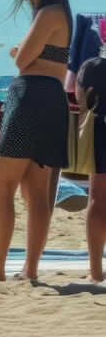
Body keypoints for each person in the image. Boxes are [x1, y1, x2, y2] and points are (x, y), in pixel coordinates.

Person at [0, 0, 74, 281]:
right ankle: (31, 269)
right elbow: (45, 58)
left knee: (1, 188)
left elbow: (24, 61)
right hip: (53, 99)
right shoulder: (61, 15)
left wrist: (21, 53)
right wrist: (26, 53)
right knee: (36, 194)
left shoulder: (47, 14)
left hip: (30, 98)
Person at [71, 17, 106, 283]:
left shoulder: (90, 66)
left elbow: (80, 99)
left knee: (97, 200)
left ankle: (95, 272)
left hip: (100, 131)